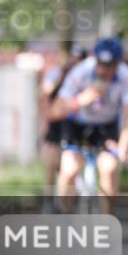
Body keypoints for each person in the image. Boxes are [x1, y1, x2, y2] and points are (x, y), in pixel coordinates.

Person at [51, 36, 128, 214]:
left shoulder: (126, 77)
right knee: (69, 169)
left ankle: (106, 222)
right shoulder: (81, 72)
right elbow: (56, 110)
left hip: (106, 127)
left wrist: (124, 144)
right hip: (77, 124)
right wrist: (79, 101)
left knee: (109, 168)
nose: (103, 70)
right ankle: (63, 215)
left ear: (118, 64)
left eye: (110, 66)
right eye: (101, 64)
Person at [38, 44, 88, 200]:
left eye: (78, 60)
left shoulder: (86, 78)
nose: (74, 62)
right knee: (51, 163)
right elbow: (45, 93)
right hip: (57, 123)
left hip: (76, 124)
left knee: (73, 164)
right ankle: (48, 199)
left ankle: (70, 197)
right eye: (73, 58)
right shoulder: (56, 74)